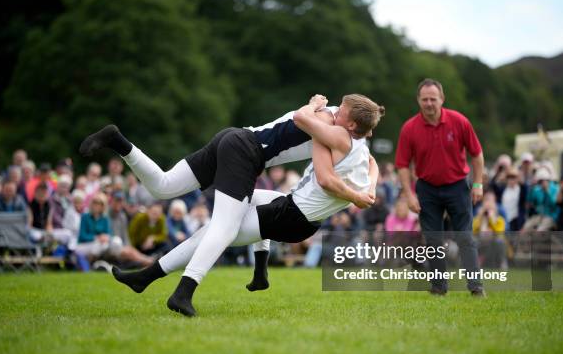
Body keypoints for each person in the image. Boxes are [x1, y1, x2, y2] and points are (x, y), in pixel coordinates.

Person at [109, 95, 383, 316]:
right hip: (270, 184)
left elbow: (355, 167)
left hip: (247, 153)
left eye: (342, 112)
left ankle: (151, 277)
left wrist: (363, 192)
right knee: (221, 228)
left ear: (351, 126)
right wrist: (362, 193)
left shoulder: (334, 133)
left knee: (172, 192)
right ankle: (181, 290)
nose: (336, 112)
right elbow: (359, 167)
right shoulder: (339, 132)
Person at [395, 78, 485, 296]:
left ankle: (476, 288)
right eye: (424, 99)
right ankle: (438, 288)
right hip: (427, 188)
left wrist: (478, 183)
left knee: (464, 237)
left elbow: (477, 154)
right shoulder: (409, 128)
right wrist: (409, 194)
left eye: (433, 99)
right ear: (418, 100)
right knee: (433, 240)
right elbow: (402, 165)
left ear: (442, 99)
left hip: (458, 186)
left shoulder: (459, 121)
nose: (429, 103)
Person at [472, 190, 507, 268]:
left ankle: (501, 262)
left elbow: (500, 232)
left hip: (494, 240)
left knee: (499, 241)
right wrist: (480, 216)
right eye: (486, 201)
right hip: (481, 240)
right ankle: (476, 262)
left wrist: (492, 218)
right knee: (472, 241)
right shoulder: (478, 217)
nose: (488, 204)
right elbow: (473, 229)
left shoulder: (499, 219)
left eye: (491, 201)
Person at [522, 167, 559, 231]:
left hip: (551, 216)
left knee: (540, 230)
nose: (542, 183)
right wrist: (532, 188)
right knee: (526, 227)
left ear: (548, 180)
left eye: (544, 180)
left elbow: (554, 204)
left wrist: (547, 191)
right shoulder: (537, 189)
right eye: (540, 181)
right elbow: (530, 201)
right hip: (540, 215)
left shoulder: (555, 188)